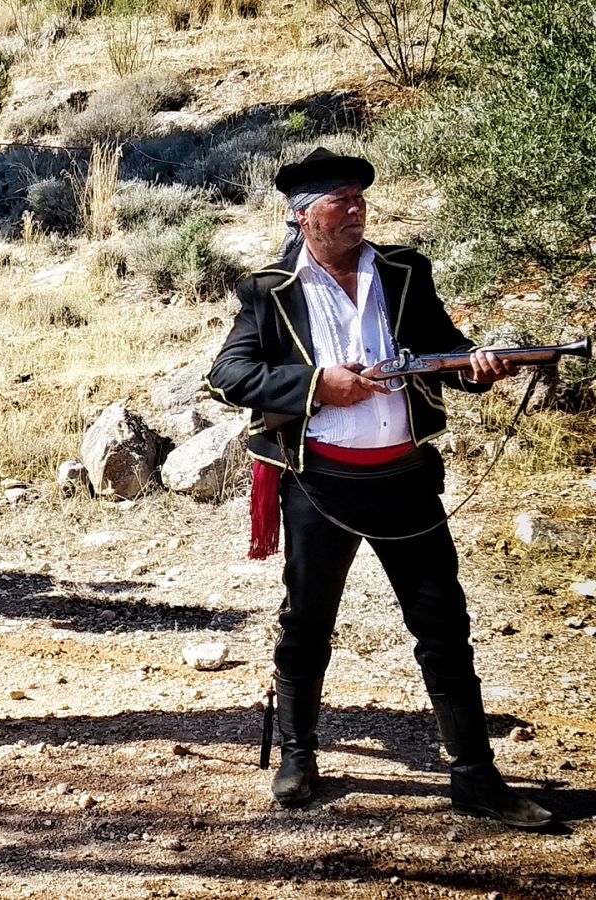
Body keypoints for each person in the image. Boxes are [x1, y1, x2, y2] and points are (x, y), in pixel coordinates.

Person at [205, 147, 553, 828]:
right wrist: (318, 386)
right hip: (320, 484)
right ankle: (298, 757)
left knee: (443, 626)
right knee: (307, 625)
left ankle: (475, 776)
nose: (357, 209)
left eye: (360, 199)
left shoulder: (404, 271)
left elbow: (443, 350)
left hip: (404, 480)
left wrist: (475, 367)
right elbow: (228, 377)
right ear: (304, 217)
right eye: (340, 200)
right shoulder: (267, 290)